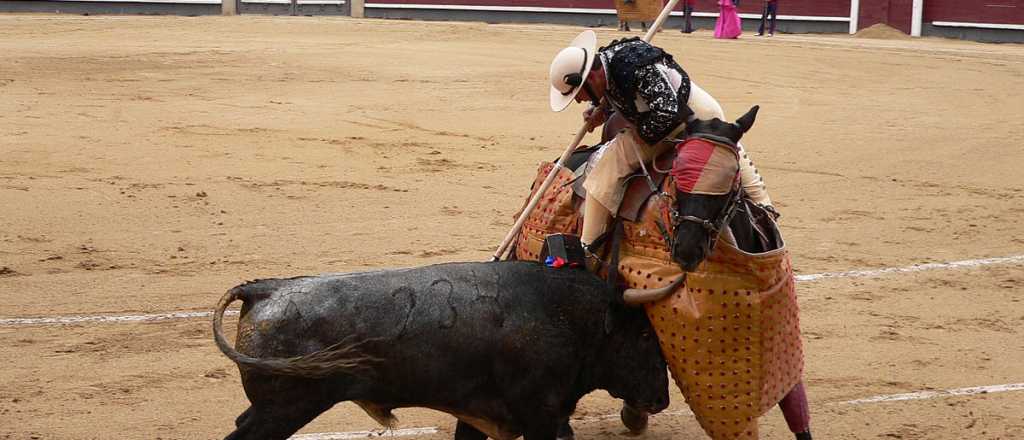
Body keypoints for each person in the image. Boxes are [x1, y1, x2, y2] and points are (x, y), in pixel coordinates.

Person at [547, 30, 771, 258]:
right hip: (697, 113)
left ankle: (588, 248)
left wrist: (632, 132)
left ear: (591, 78)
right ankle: (764, 204)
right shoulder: (608, 61)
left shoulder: (632, 68)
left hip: (685, 118)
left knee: (607, 169)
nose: (579, 99)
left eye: (578, 93)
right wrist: (602, 110)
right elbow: (625, 92)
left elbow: (666, 112)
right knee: (726, 144)